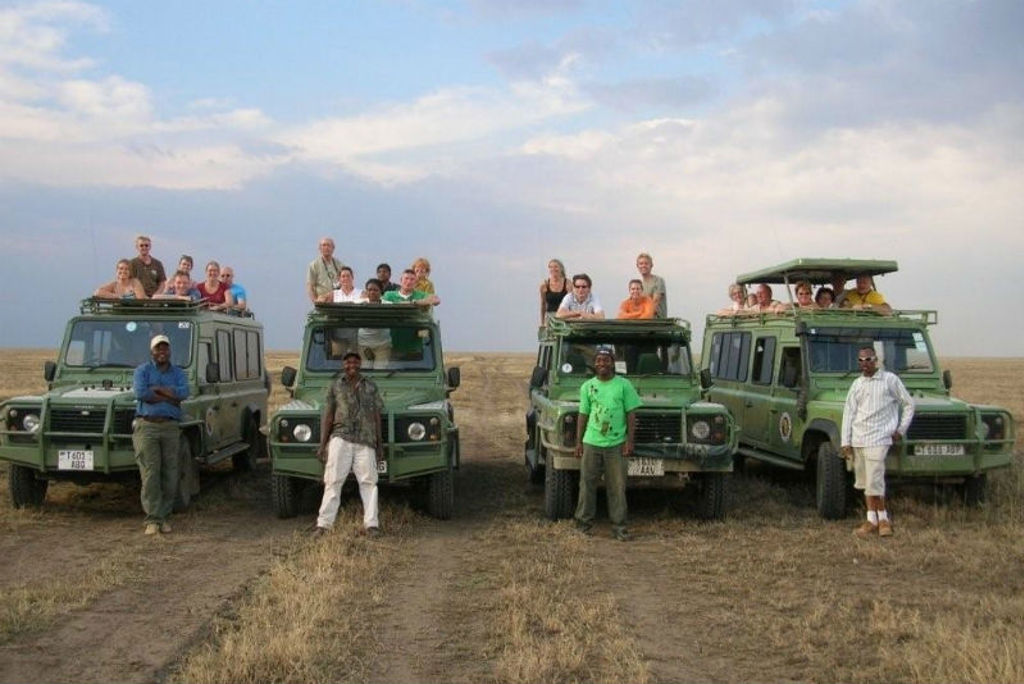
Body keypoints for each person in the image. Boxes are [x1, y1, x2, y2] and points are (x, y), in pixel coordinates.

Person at [841, 346, 914, 538]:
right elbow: (849, 412)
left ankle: (883, 520)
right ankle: (871, 519)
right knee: (866, 482)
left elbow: (909, 404)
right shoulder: (857, 384)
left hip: (879, 438)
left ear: (876, 360)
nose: (864, 363)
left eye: (868, 359)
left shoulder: (890, 380)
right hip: (859, 439)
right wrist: (845, 441)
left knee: (875, 480)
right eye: (861, 360)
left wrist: (900, 430)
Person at [574, 345, 641, 541]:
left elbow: (631, 414)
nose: (601, 363)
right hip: (591, 442)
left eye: (606, 360)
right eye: (598, 360)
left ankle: (619, 528)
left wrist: (629, 441)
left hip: (616, 444)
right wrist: (579, 443)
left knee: (617, 487)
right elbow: (583, 415)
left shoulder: (624, 385)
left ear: (613, 363)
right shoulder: (587, 387)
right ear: (594, 364)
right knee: (587, 484)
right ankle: (583, 525)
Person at [313, 351, 384, 537]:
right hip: (341, 437)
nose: (351, 365)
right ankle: (323, 525)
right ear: (343, 365)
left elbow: (377, 416)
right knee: (333, 480)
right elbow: (329, 415)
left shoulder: (371, 386)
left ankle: (372, 525)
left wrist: (380, 444)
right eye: (348, 362)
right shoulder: (336, 386)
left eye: (355, 361)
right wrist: (323, 444)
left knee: (369, 482)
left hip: (365, 440)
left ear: (360, 364)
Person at [132, 334, 188, 535]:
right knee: (150, 473)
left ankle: (164, 516)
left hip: (170, 427)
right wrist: (169, 396)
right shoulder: (142, 370)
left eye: (165, 348)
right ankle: (153, 519)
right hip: (147, 426)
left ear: (169, 351)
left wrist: (157, 390)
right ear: (152, 351)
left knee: (170, 473)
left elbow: (183, 393)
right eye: (158, 348)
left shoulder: (178, 372)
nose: (161, 352)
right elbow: (141, 393)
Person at [358, 279, 391, 368]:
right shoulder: (360, 304)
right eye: (369, 290)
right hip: (364, 344)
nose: (372, 292)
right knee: (365, 370)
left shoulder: (388, 305)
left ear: (381, 291)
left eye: (375, 290)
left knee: (380, 371)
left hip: (383, 345)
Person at [307, 237, 344, 303]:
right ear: (319, 248)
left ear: (333, 248)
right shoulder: (314, 265)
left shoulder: (339, 265)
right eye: (324, 245)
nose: (326, 248)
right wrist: (315, 301)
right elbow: (310, 286)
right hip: (322, 302)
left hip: (337, 301)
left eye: (328, 245)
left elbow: (346, 282)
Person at [635, 252, 667, 318]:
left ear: (651, 265)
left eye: (646, 263)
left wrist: (642, 316)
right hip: (643, 319)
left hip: (657, 320)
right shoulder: (639, 285)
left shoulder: (658, 280)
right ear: (637, 266)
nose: (643, 266)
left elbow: (655, 302)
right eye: (641, 264)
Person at [539, 258, 569, 324]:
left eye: (556, 267)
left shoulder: (568, 284)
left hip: (564, 317)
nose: (553, 269)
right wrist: (542, 322)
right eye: (551, 267)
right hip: (550, 317)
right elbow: (543, 305)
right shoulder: (544, 285)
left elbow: (572, 302)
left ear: (561, 269)